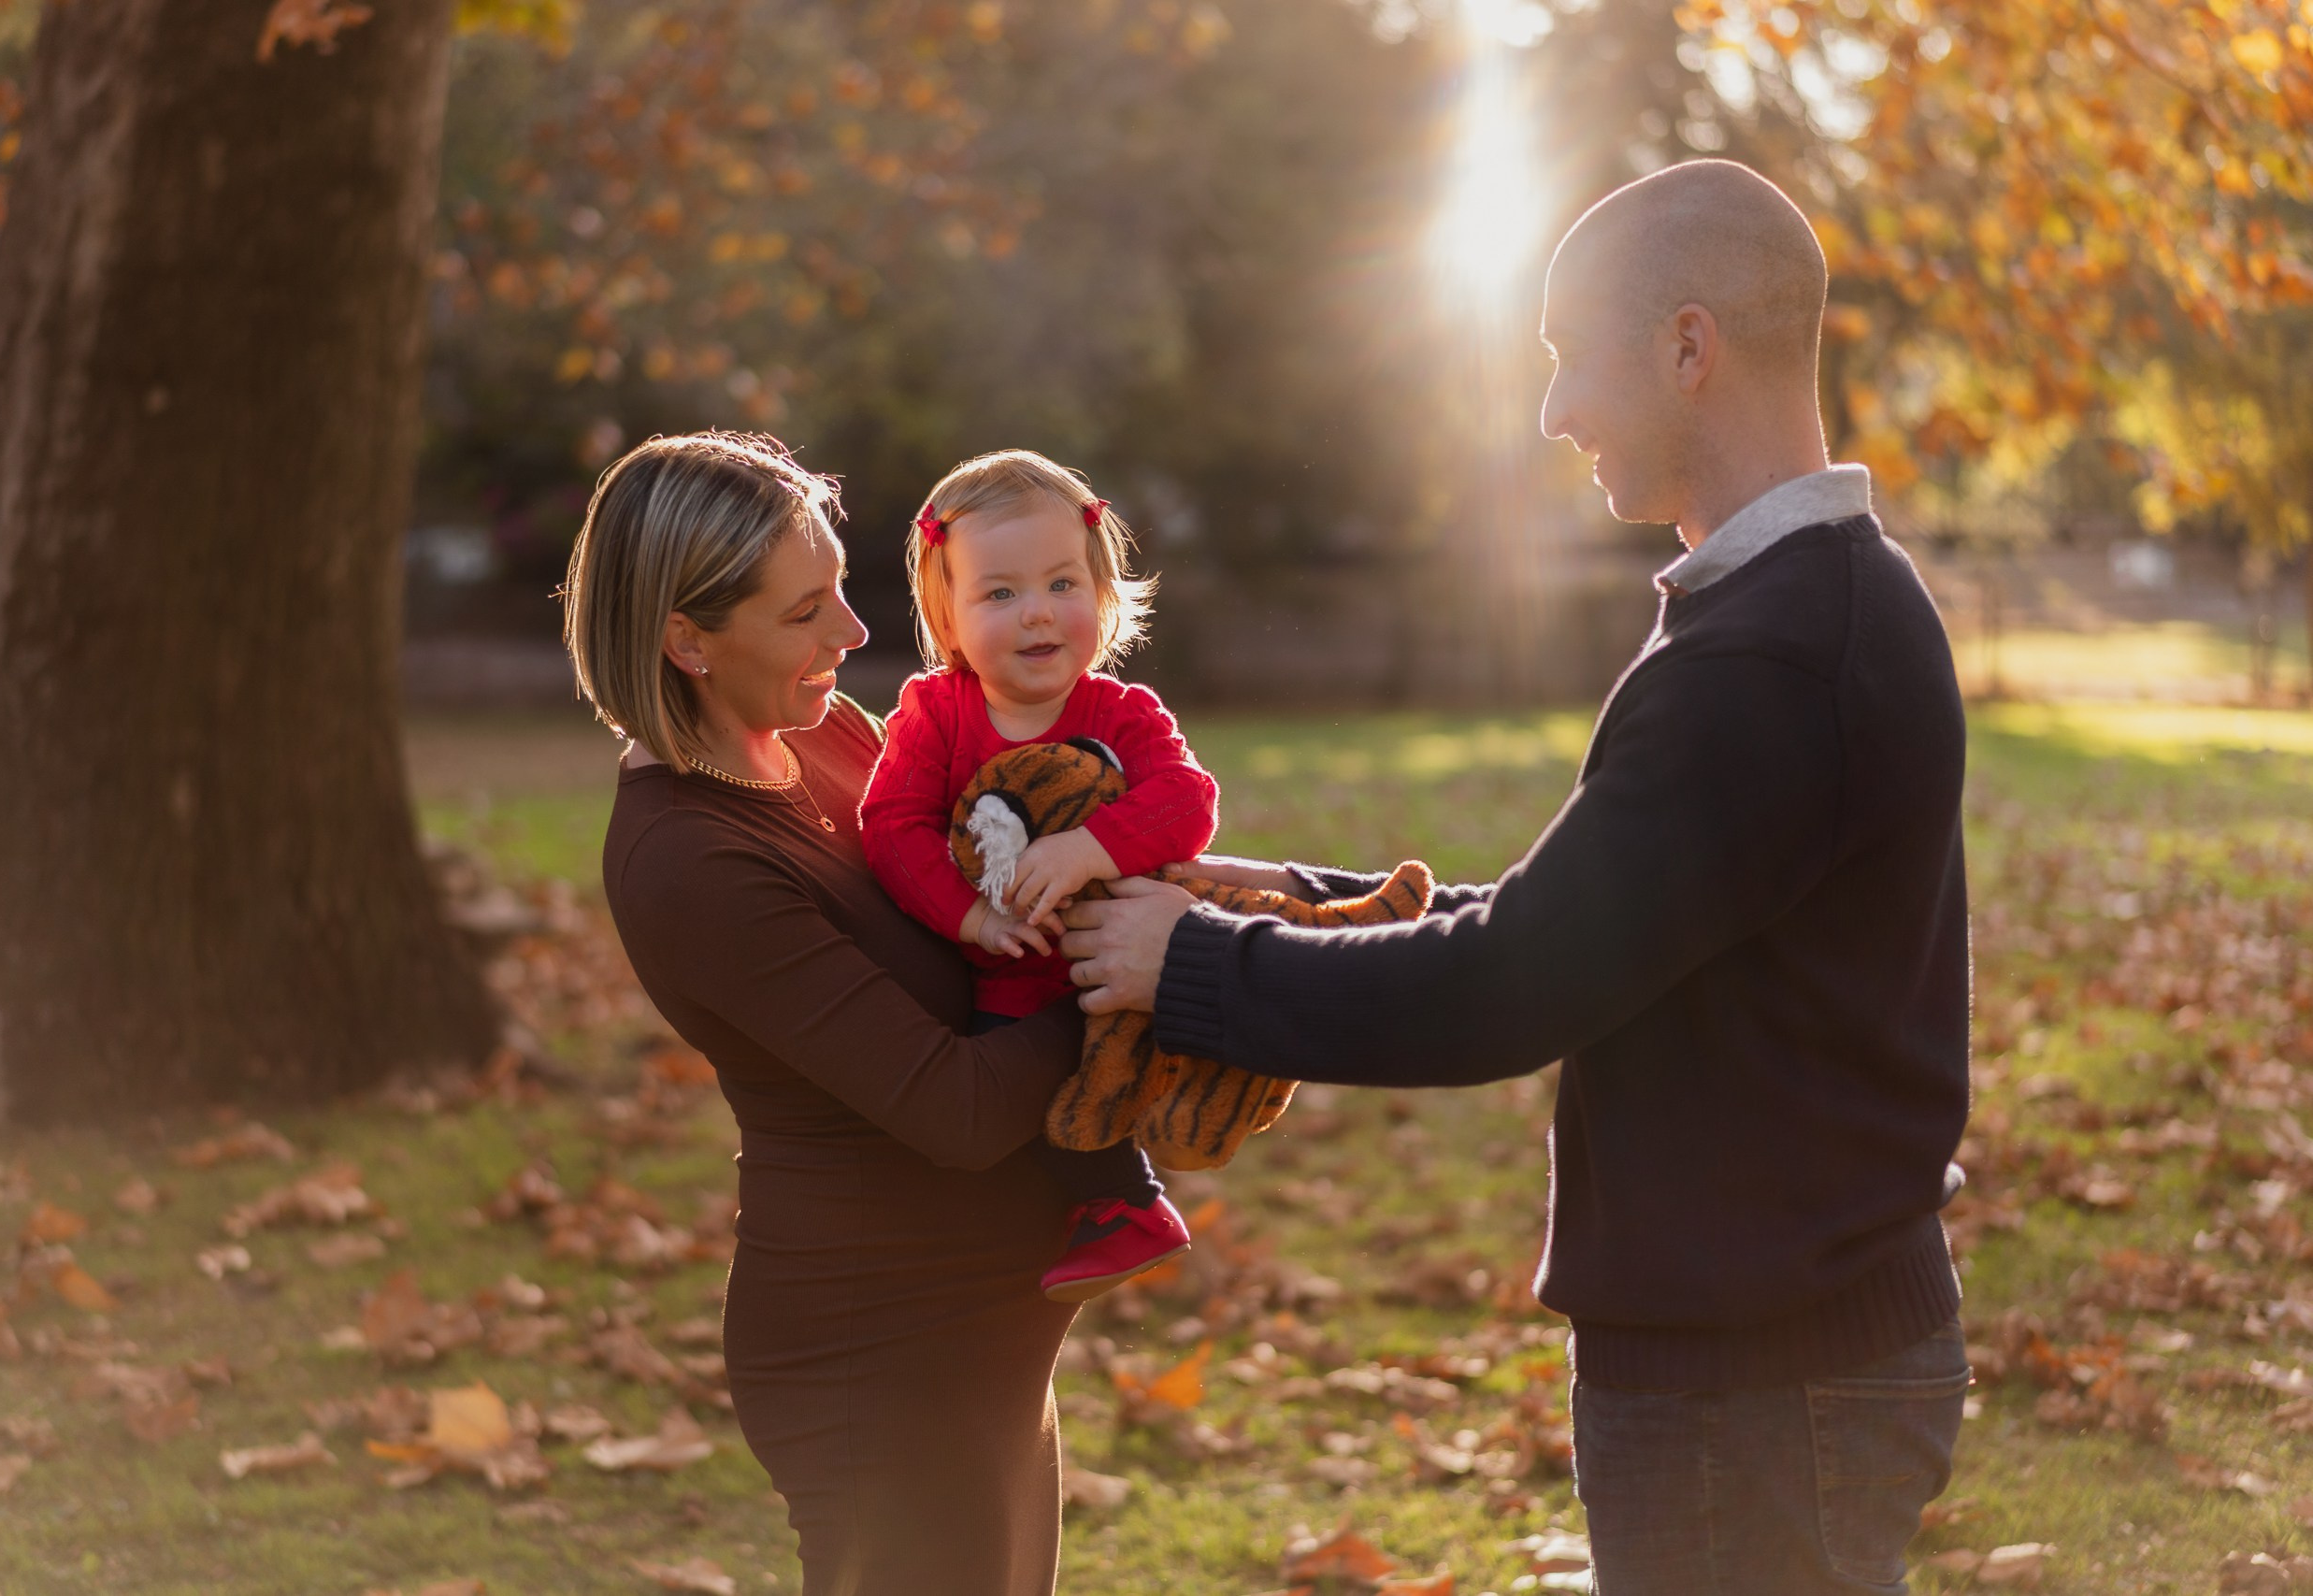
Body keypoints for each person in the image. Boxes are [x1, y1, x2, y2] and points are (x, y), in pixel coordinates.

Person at [1061, 160, 1974, 1596]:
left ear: (1687, 346)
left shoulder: (1771, 652)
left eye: (1568, 355)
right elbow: (1604, 914)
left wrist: (1193, 966)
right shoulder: (1813, 598)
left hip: (1758, 1380)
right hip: (1778, 1345)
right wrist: (1284, 898)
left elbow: (1514, 983)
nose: (1553, 410)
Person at [568, 431, 1087, 1595]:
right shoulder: (689, 861)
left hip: (988, 1331)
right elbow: (955, 1108)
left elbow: (1006, 883)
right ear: (687, 640)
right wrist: (1126, 982)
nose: (853, 633)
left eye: (841, 588)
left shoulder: (829, 732)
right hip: (884, 1353)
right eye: (805, 612)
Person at [860, 449, 1212, 1301]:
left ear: (1102, 592)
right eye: (1000, 594)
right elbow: (892, 826)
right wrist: (974, 917)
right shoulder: (938, 715)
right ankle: (1066, 1214)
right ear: (948, 620)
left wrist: (1088, 846)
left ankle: (1130, 1208)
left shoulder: (1121, 715)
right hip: (1006, 968)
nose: (1039, 613)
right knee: (986, 1098)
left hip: (1109, 961)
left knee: (1068, 1092)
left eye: (1062, 583)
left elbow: (1186, 800)